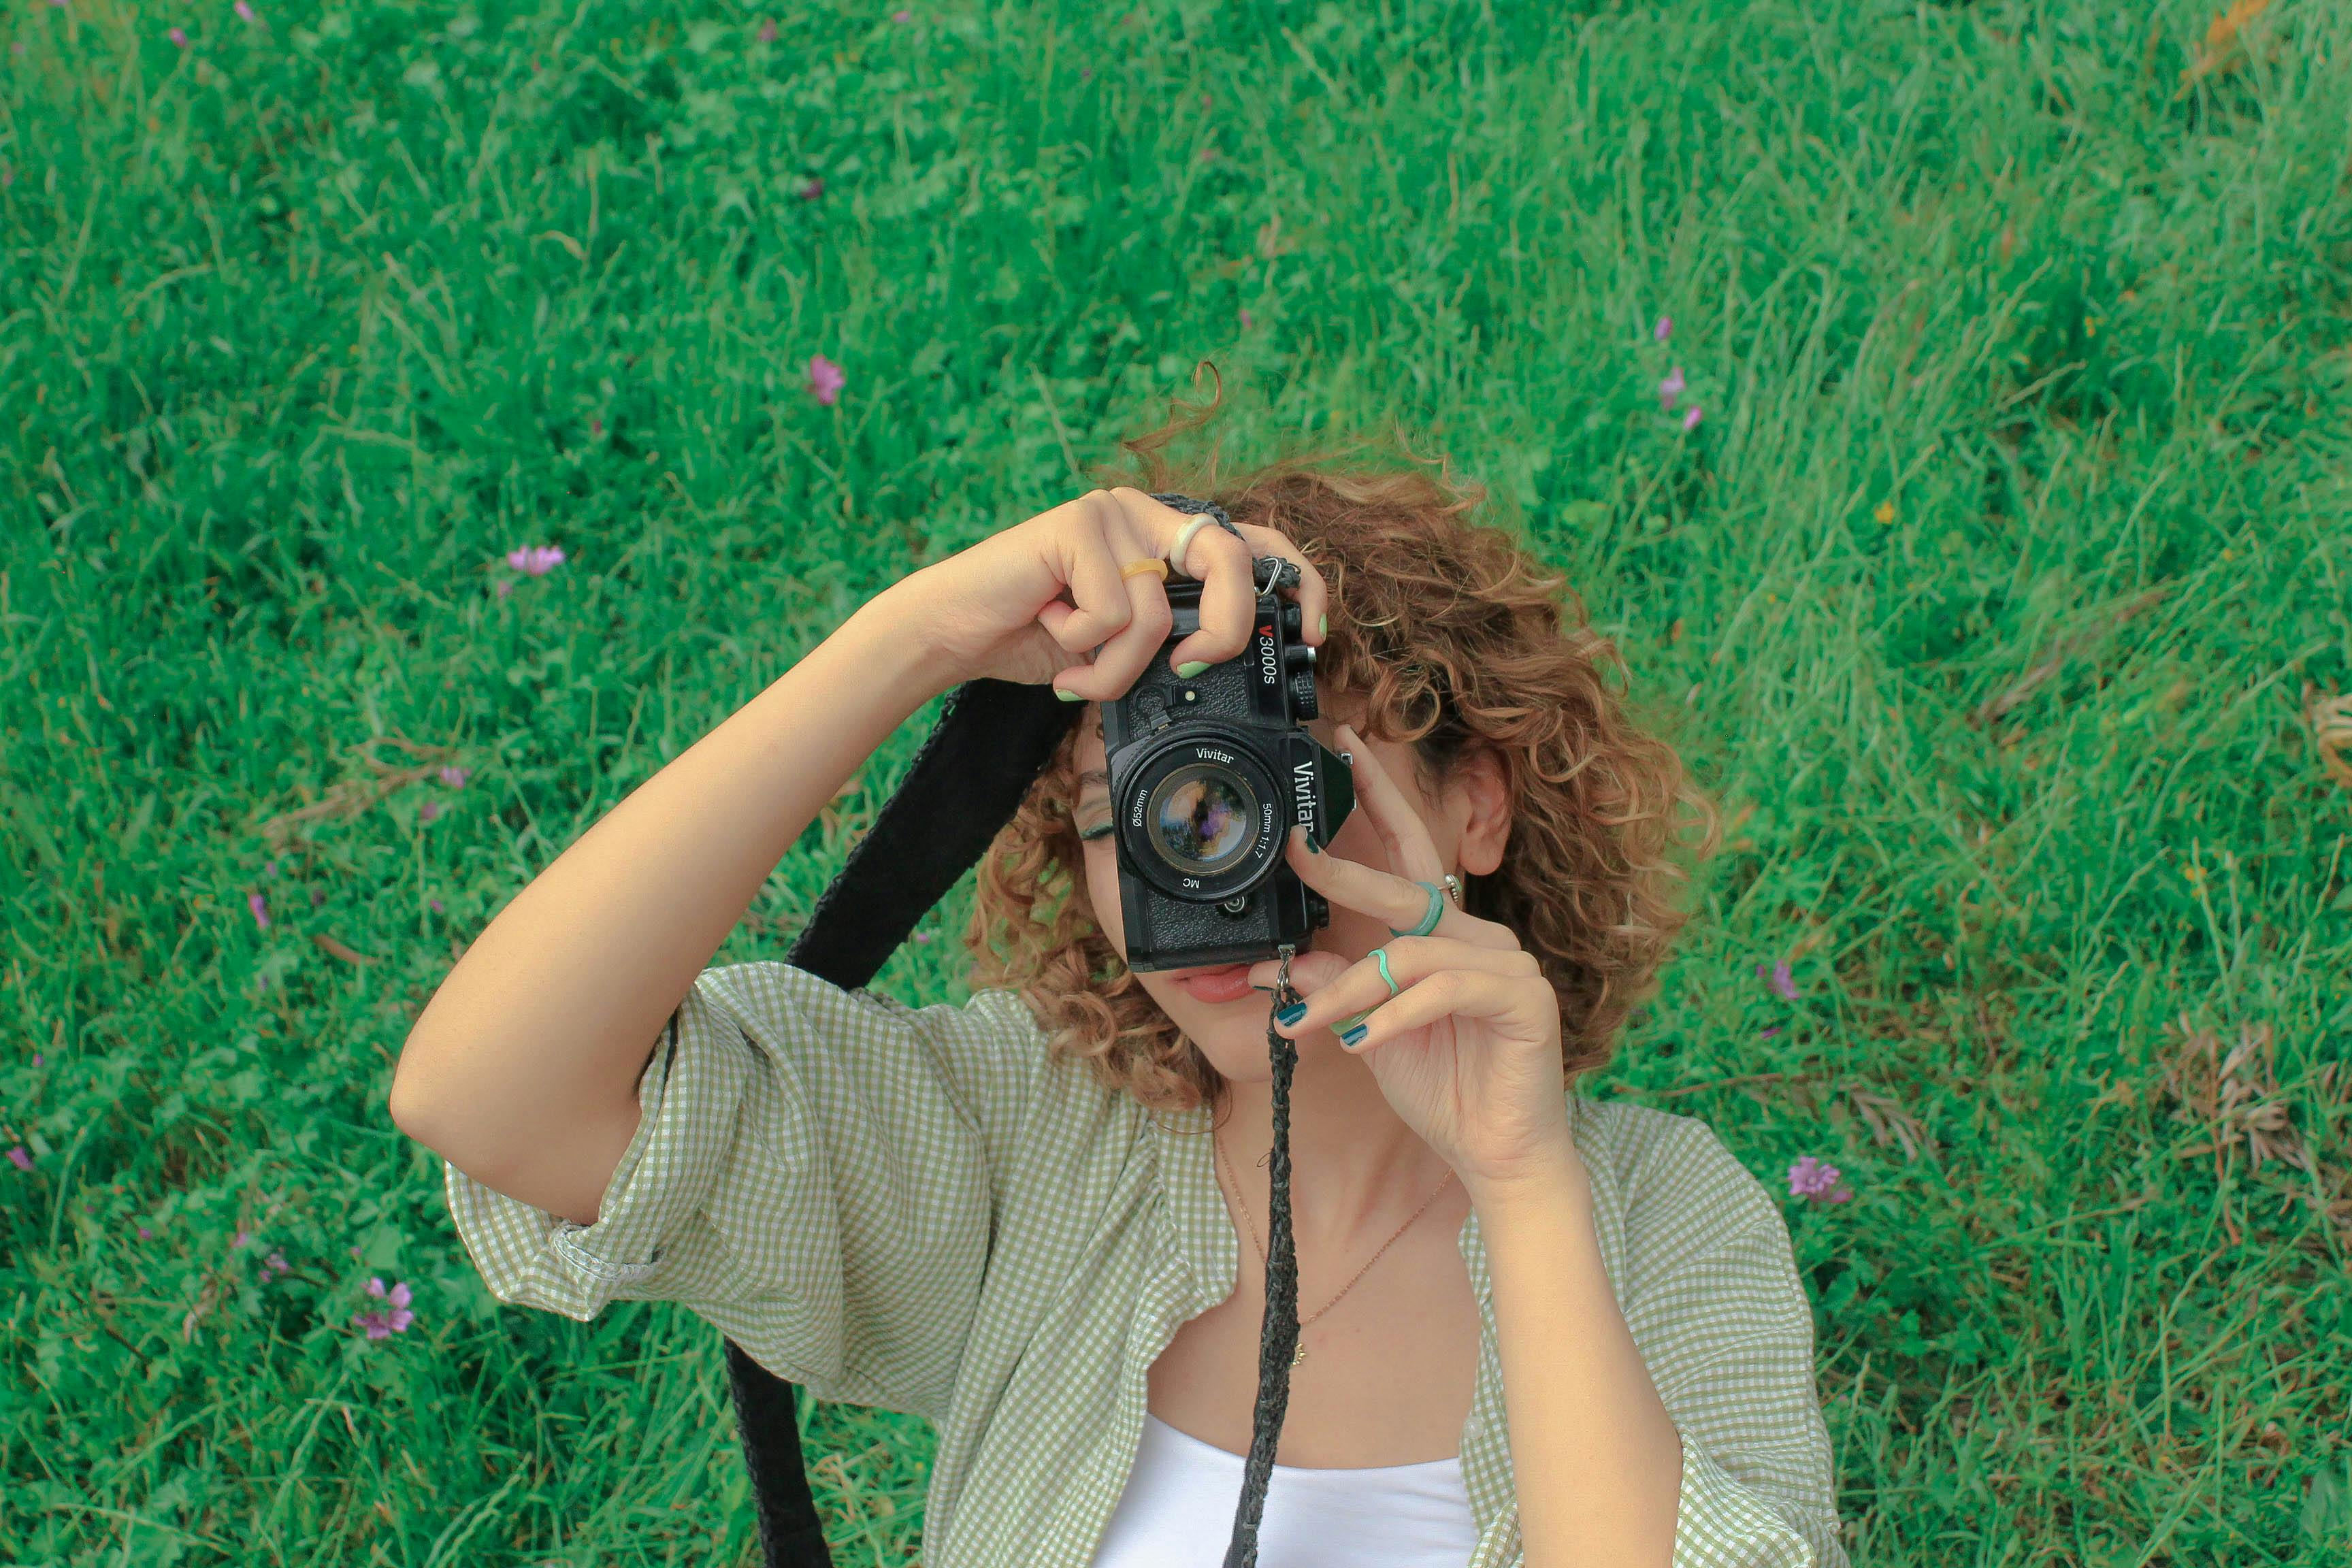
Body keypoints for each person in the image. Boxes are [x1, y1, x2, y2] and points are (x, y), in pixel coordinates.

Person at [389, 419, 1848, 1568]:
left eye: (1274, 786)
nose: (1206, 862)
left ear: (1478, 807)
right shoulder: (1035, 1145)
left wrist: (1524, 1188)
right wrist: (916, 643)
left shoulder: (1662, 1223)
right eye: (1134, 813)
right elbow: (494, 1100)